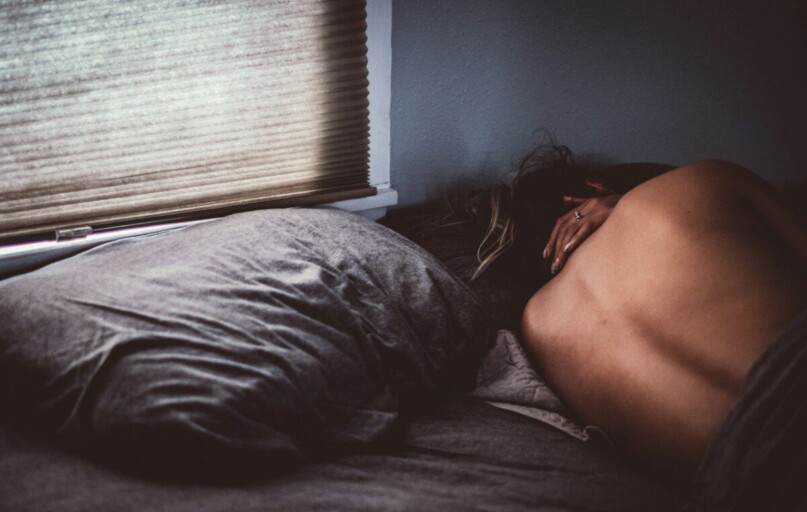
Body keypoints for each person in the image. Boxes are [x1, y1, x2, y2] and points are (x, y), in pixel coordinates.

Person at [471, 146, 807, 506]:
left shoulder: (537, 325)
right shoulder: (697, 182)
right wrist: (631, 197)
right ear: (595, 188)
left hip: (750, 483)